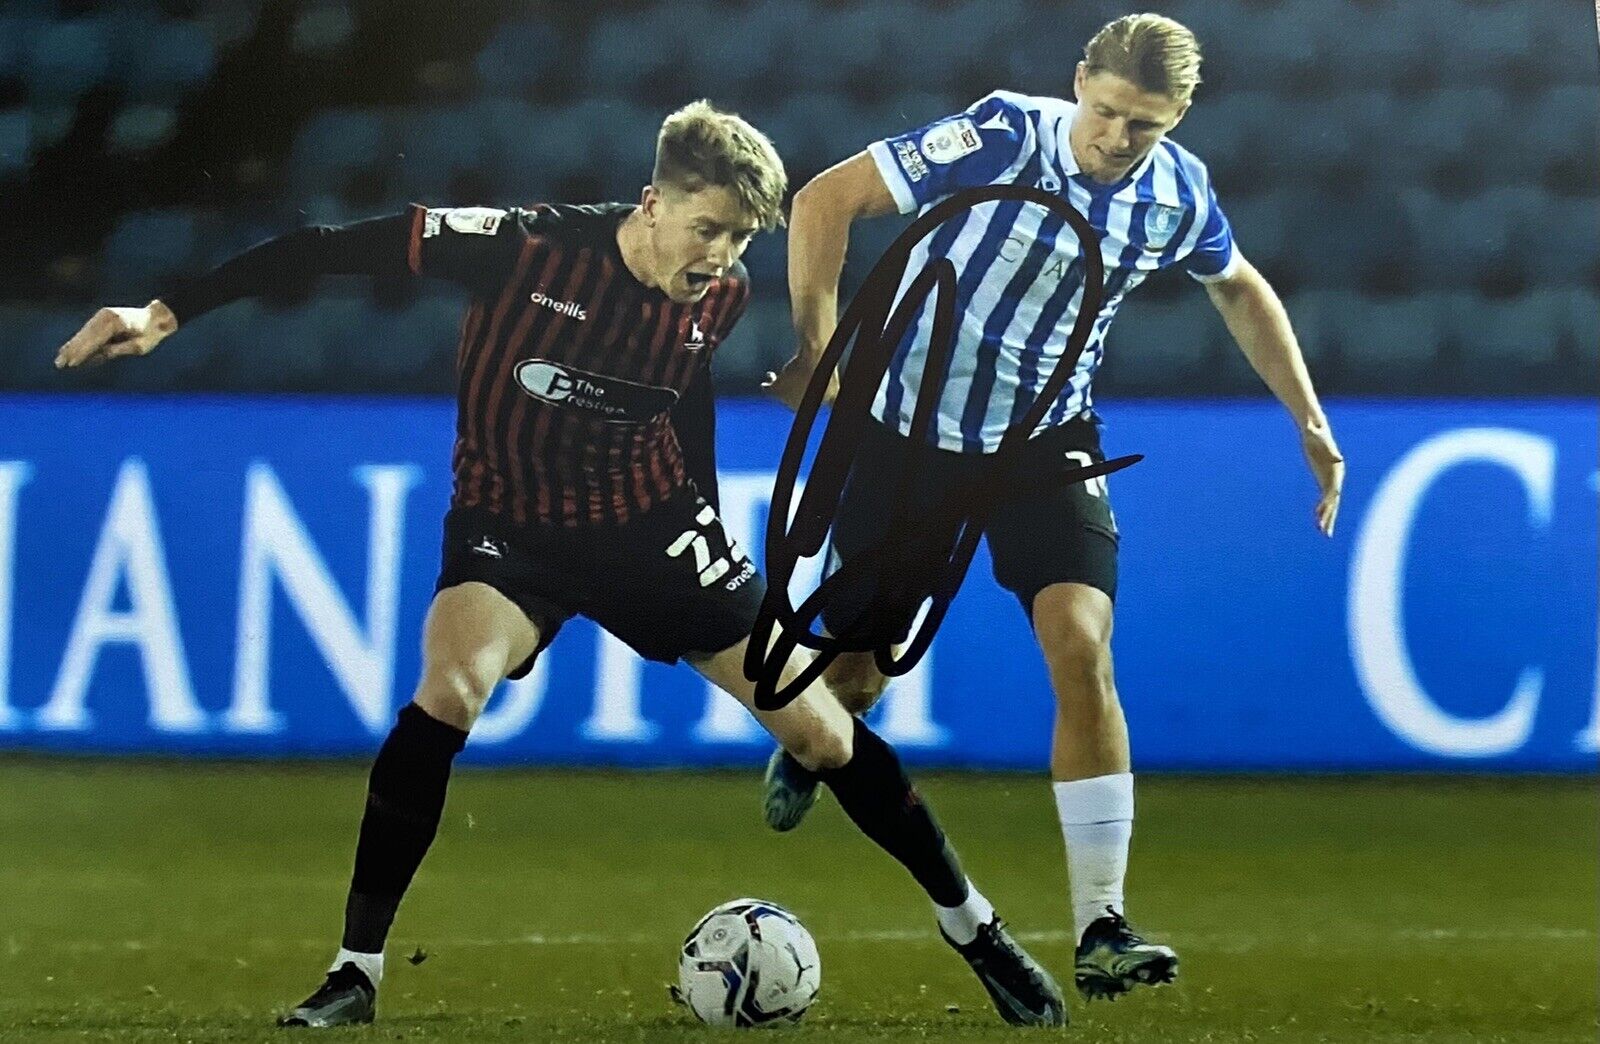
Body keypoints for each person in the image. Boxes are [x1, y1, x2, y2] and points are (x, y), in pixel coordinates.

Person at [55, 101, 1067, 1028]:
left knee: (823, 731)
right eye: (706, 229)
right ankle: (356, 972)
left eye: (738, 239)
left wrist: (706, 517)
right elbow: (325, 250)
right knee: (448, 693)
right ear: (652, 202)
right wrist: (166, 314)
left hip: (650, 528)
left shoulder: (717, 293)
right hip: (512, 531)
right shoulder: (519, 246)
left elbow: (684, 393)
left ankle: (973, 929)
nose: (718, 257)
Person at [762, 13, 1346, 1002]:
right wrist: (819, 347)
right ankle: (827, 735)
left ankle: (1100, 925)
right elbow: (824, 200)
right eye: (1109, 111)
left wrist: (1309, 417)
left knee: (1080, 643)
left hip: (1045, 440)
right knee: (851, 678)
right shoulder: (1001, 135)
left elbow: (1237, 288)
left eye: (1145, 126)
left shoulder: (1176, 195)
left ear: (1178, 119)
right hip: (911, 432)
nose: (1118, 140)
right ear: (1080, 81)